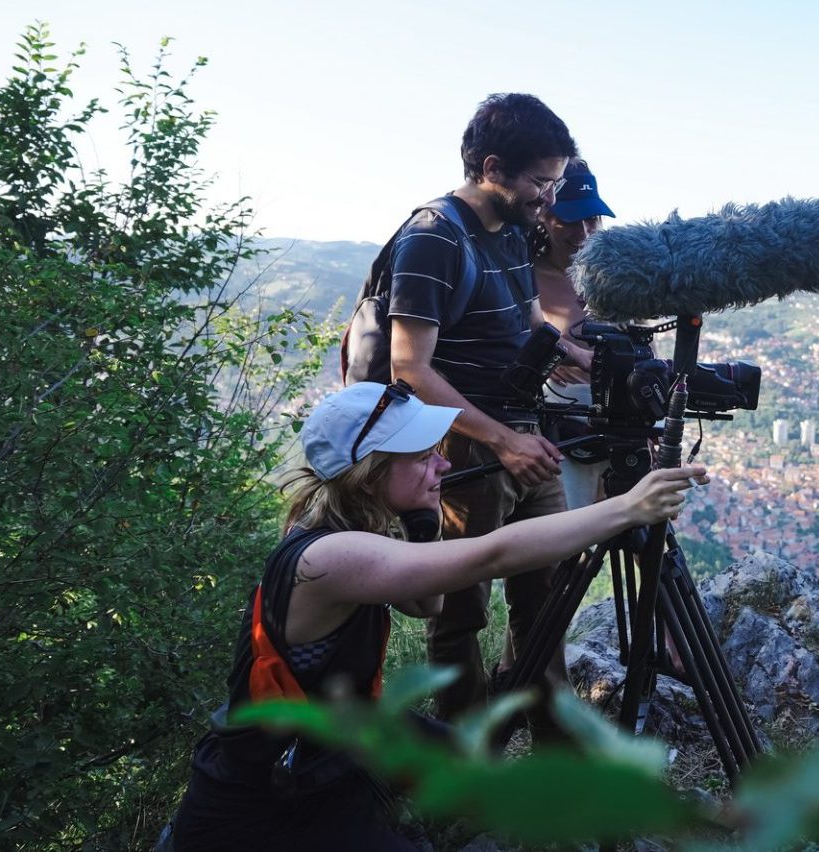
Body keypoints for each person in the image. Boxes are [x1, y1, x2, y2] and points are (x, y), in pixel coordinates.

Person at [165, 381, 706, 851]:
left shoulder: (336, 527)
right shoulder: (330, 558)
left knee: (470, 765)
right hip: (265, 796)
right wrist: (627, 508)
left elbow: (426, 605)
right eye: (423, 455)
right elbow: (491, 554)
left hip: (335, 745)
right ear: (370, 471)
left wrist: (422, 517)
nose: (444, 463)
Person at [381, 93, 591, 722]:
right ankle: (466, 749)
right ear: (493, 167)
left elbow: (526, 315)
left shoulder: (513, 233)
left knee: (546, 590)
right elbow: (409, 368)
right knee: (461, 603)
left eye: (553, 182)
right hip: (466, 446)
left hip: (525, 433)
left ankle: (551, 734)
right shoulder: (434, 237)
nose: (548, 198)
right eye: (539, 181)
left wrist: (580, 358)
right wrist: (501, 441)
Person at [529, 157, 615, 509]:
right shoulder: (526, 276)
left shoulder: (615, 274)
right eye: (568, 220)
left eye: (591, 219)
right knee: (568, 537)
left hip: (620, 421)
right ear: (544, 216)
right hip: (562, 430)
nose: (582, 233)